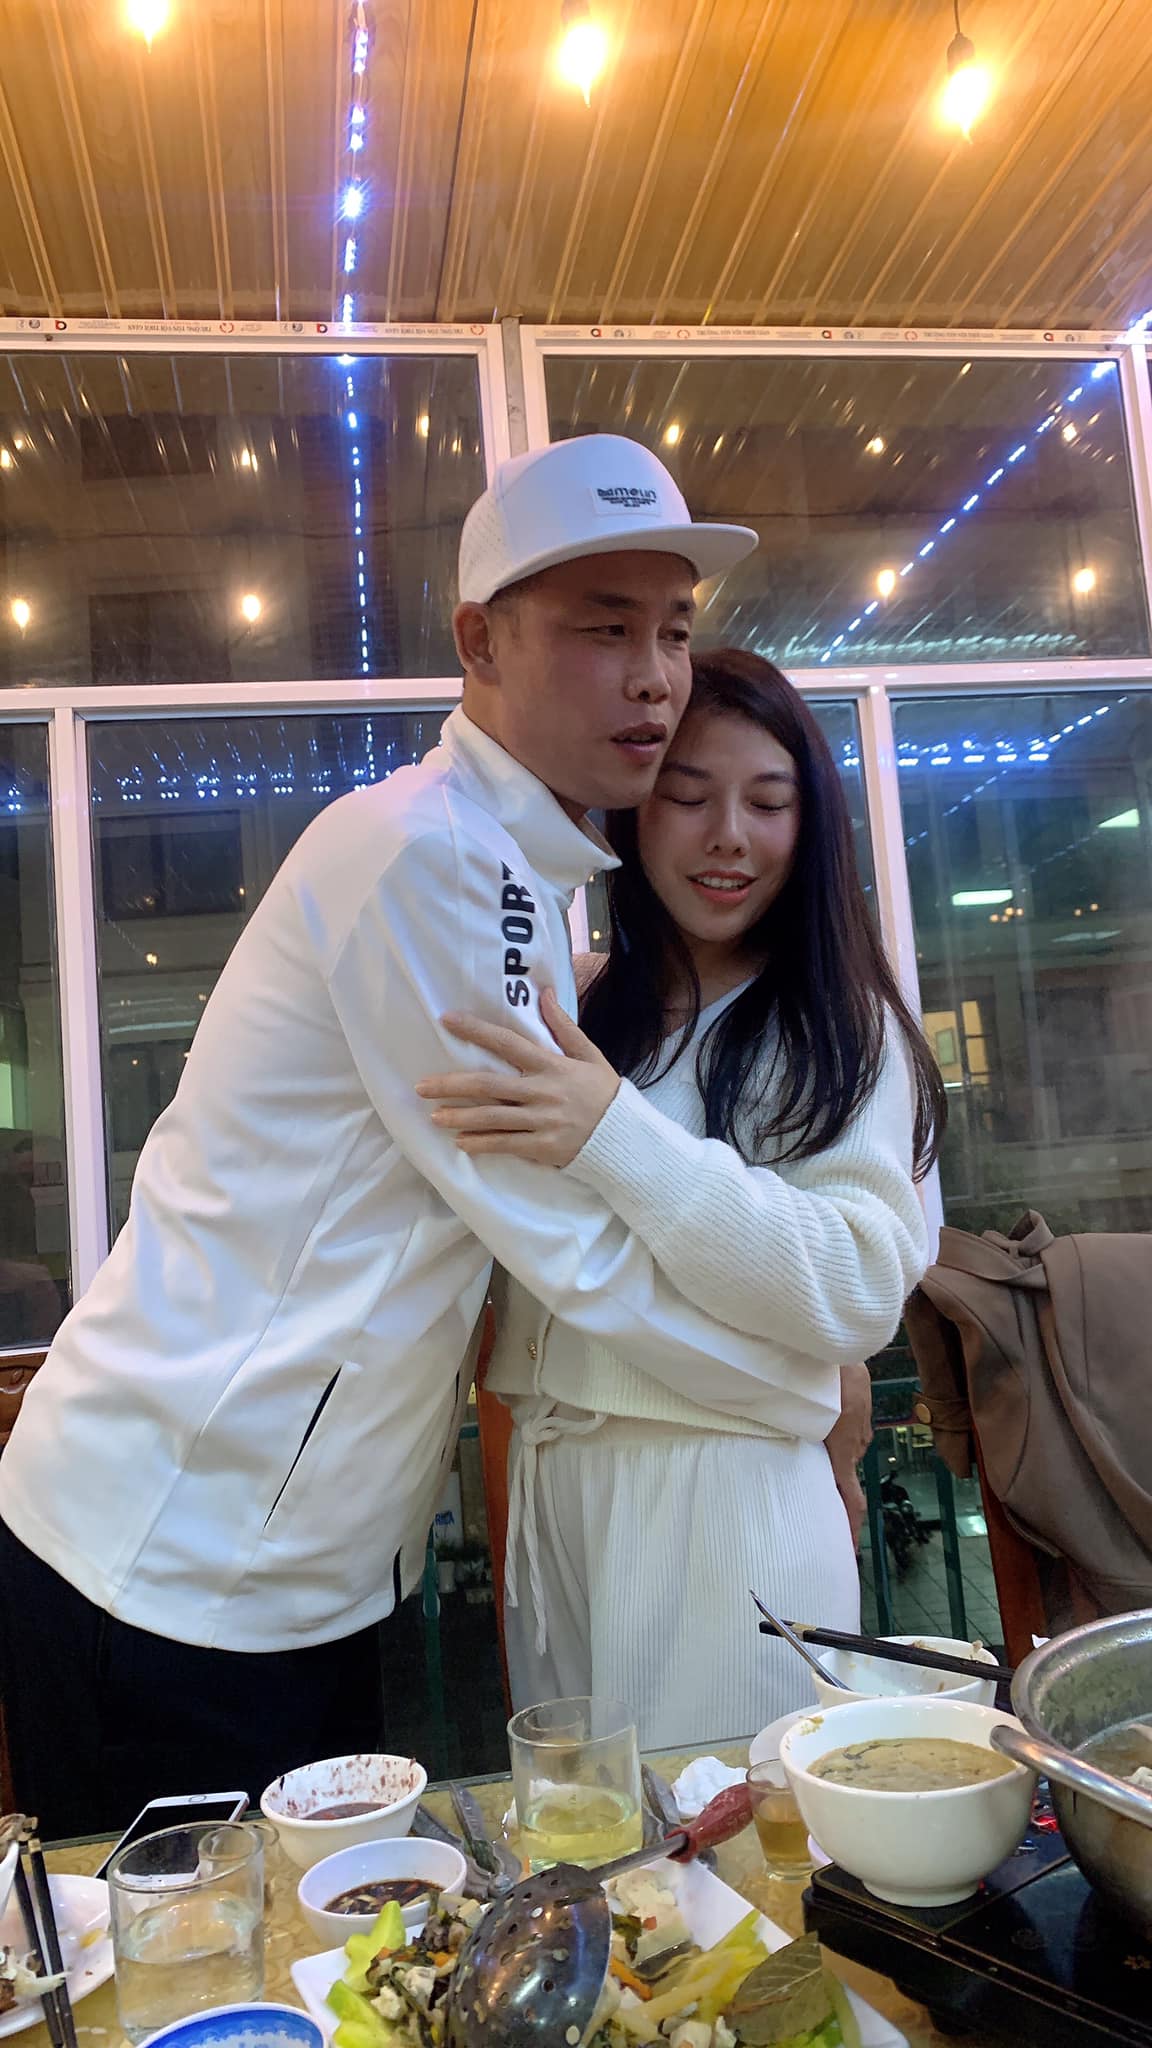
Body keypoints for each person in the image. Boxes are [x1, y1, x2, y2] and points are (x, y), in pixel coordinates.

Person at [0, 430, 780, 1836]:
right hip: (173, 1554)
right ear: (479, 640)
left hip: (295, 1555)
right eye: (604, 628)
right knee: (197, 1951)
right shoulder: (431, 857)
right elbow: (567, 1247)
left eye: (673, 629)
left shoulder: (518, 872)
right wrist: (798, 1379)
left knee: (322, 1937)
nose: (657, 677)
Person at [417, 648, 947, 1745]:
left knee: (733, 1833)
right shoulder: (588, 1004)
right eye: (688, 796)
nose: (728, 837)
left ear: (812, 824)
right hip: (558, 1483)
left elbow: (857, 1285)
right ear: (632, 811)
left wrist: (616, 1134)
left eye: (769, 802)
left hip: (727, 1498)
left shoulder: (841, 1026)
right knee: (594, 1830)